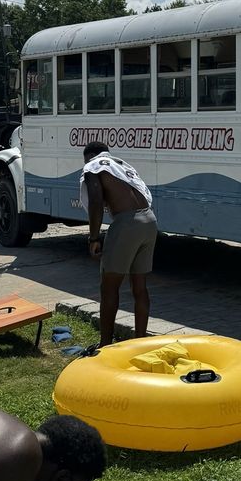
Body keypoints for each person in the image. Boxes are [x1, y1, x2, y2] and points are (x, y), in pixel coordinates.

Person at [80, 140, 158, 347]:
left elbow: (95, 201)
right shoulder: (122, 166)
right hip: (149, 220)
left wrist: (94, 237)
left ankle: (105, 344)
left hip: (127, 224)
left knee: (109, 287)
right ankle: (140, 341)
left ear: (89, 156)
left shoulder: (93, 166)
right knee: (139, 286)